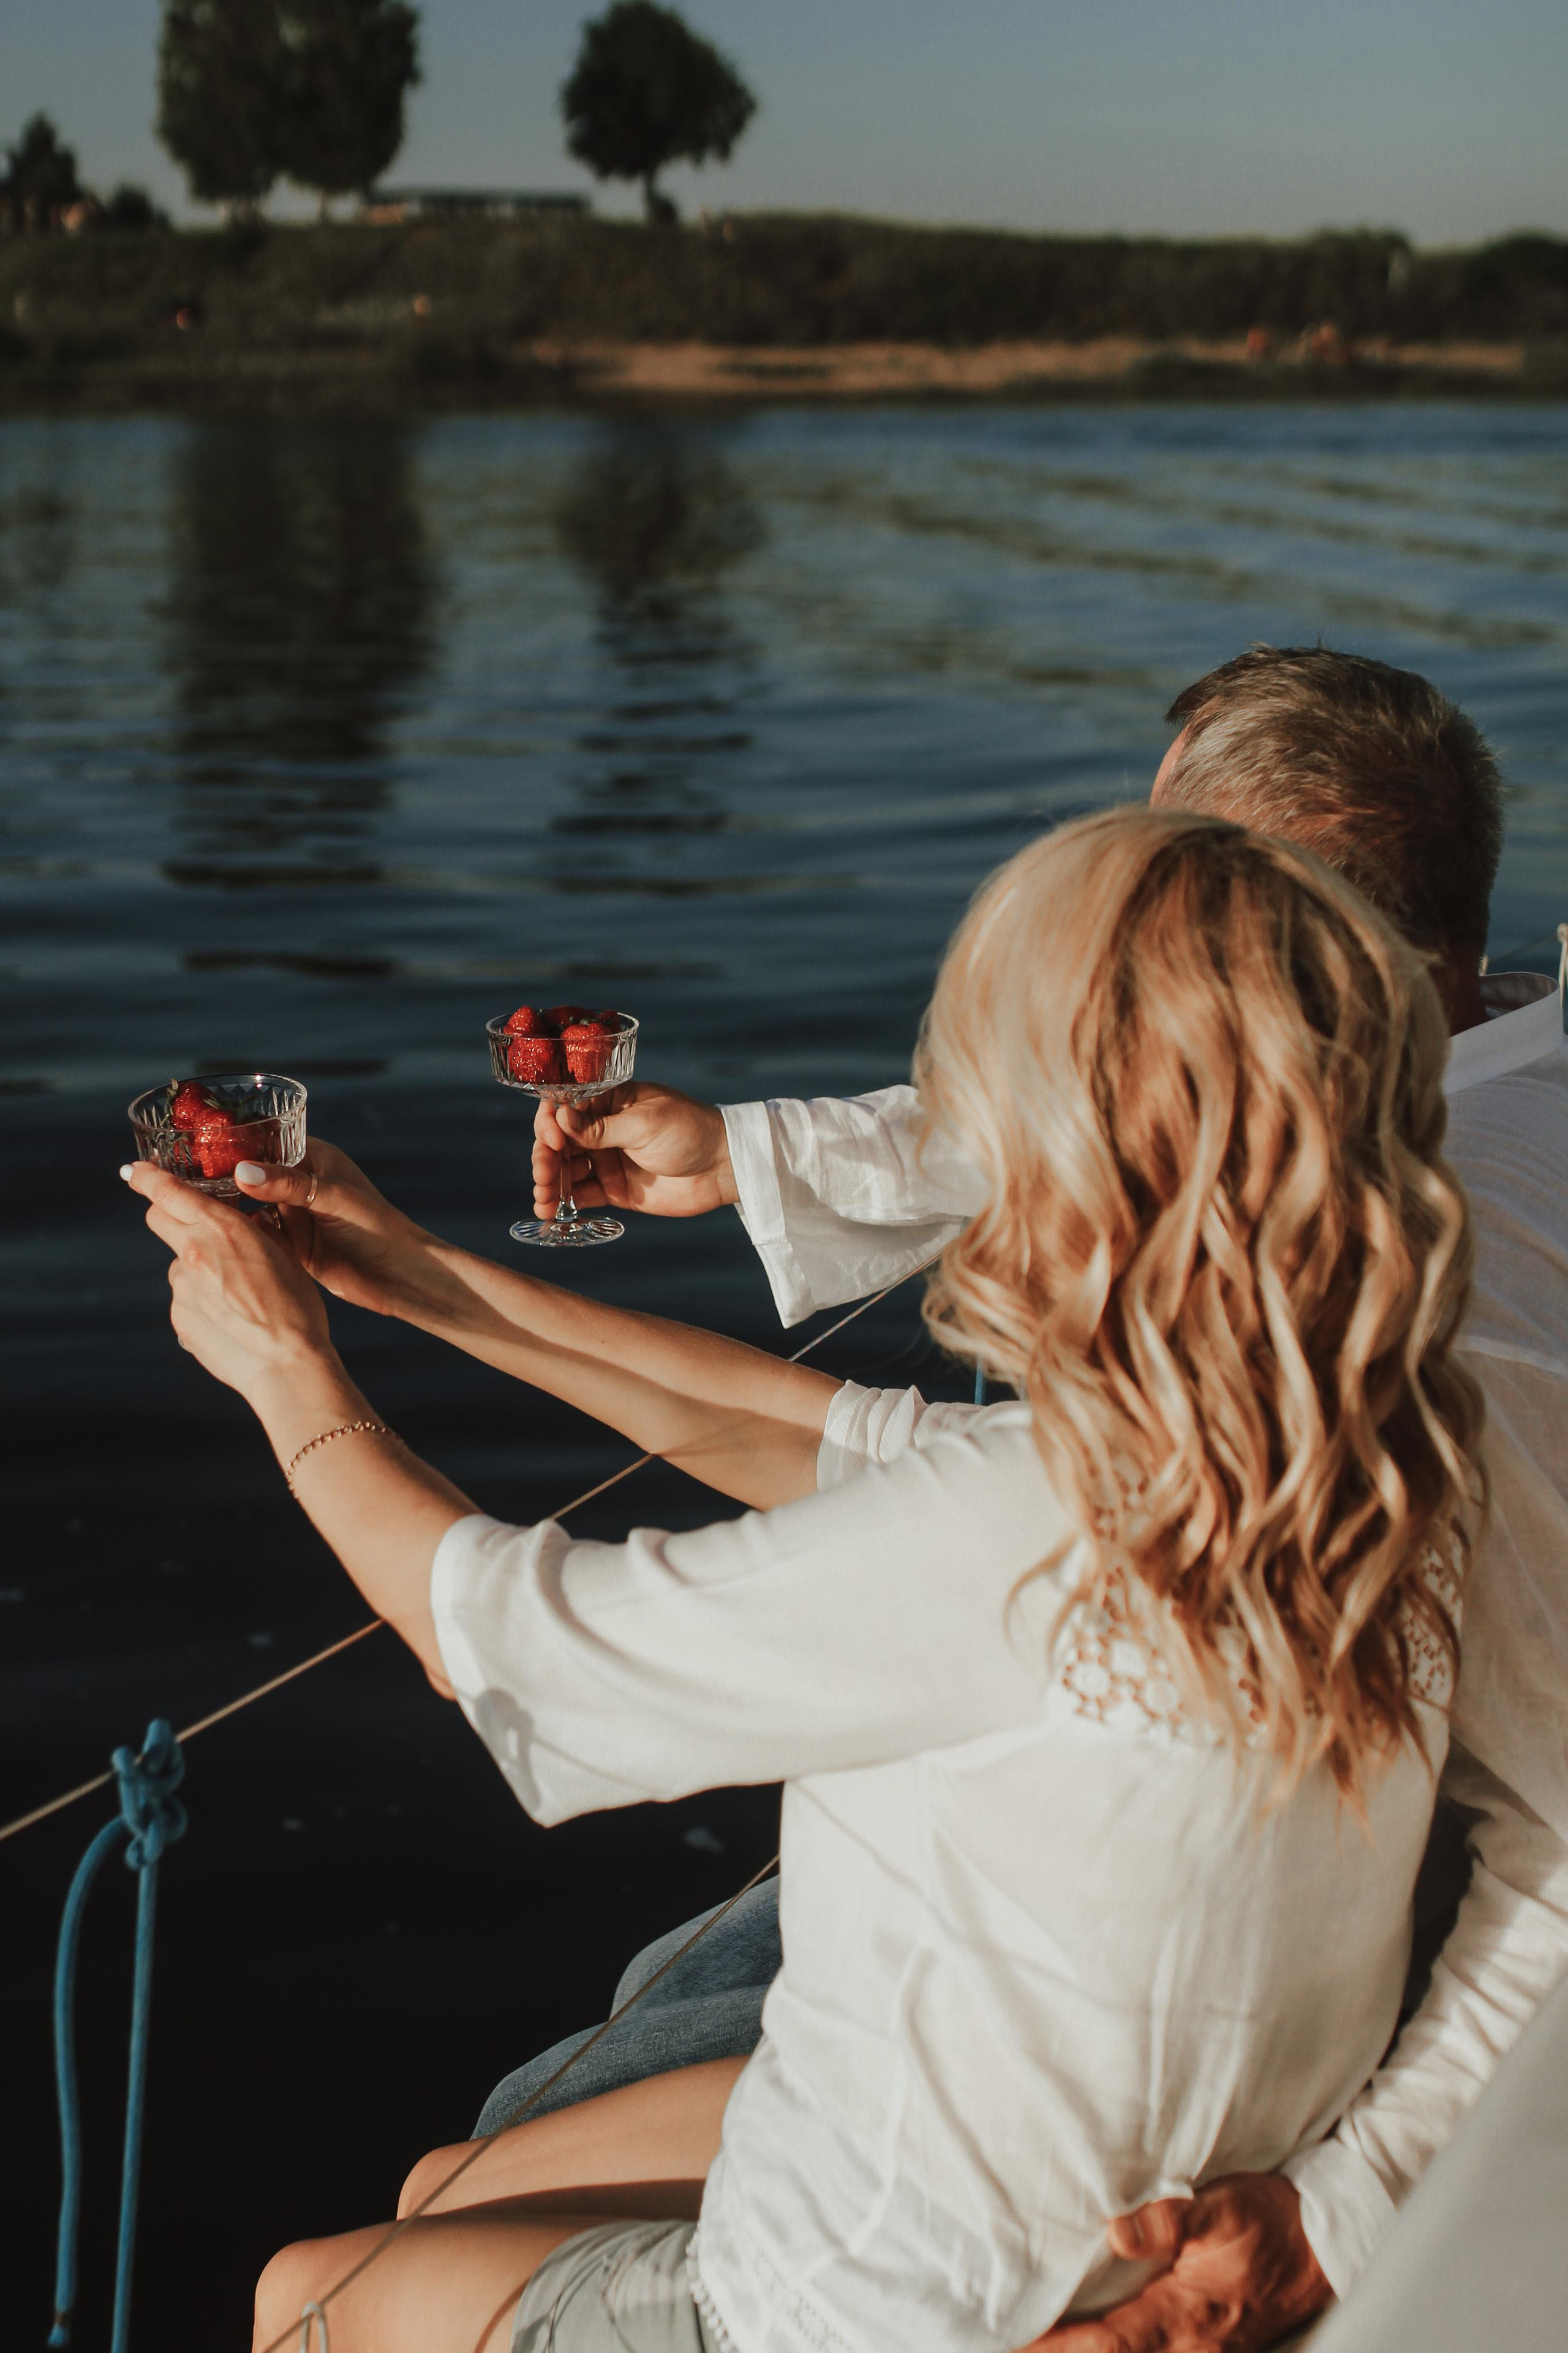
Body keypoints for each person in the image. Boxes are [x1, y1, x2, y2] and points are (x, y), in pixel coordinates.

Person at [129, 809, 1481, 2353]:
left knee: (305, 2296)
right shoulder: (1373, 1455)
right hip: (1084, 2159)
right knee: (450, 2183)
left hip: (903, 2298)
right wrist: (411, 1274)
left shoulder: (1026, 1523)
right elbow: (811, 1435)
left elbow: (508, 1647)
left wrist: (283, 1370)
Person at [486, 645, 1568, 2351]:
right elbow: (1165, 1113)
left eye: (1154, 911)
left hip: (1179, 1998)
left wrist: (1342, 2210)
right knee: (486, 2167)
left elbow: (1561, 1818)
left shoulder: (1468, 1307)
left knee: (474, 2166)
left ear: (1281, 945)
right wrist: (748, 1158)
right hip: (1147, 1837)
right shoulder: (1467, 1059)